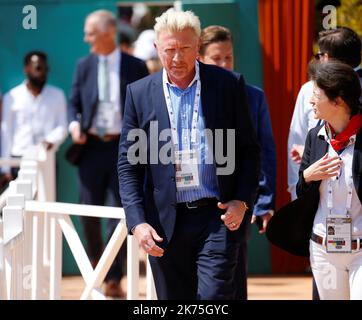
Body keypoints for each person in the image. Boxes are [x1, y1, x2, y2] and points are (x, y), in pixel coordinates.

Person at [118, 9, 260, 300]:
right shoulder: (139, 93)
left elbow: (248, 150)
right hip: (164, 223)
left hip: (216, 217)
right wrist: (137, 221)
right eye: (170, 49)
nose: (177, 57)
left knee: (213, 298)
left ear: (198, 46)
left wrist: (242, 200)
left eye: (185, 48)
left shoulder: (228, 85)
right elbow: (129, 165)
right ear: (158, 49)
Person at [68, 9, 148, 298]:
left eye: (90, 32)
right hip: (90, 149)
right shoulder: (83, 65)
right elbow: (73, 102)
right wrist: (74, 123)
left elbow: (143, 108)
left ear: (107, 33)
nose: (86, 38)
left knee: (120, 215)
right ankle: (97, 268)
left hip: (122, 149)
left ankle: (114, 277)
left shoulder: (135, 66)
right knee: (88, 213)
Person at [198, 25, 276, 300]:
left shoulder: (252, 95)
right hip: (193, 201)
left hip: (238, 202)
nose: (223, 64)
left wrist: (263, 203)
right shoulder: (190, 95)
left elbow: (263, 151)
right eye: (216, 58)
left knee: (233, 278)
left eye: (228, 57)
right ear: (200, 58)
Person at [298, 61, 362, 299]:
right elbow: (301, 190)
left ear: (338, 101)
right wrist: (307, 176)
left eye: (316, 94)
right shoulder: (315, 136)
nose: (310, 100)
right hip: (323, 249)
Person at [288, 27, 362, 201]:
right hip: (319, 202)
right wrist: (298, 190)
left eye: (320, 55)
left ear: (329, 59)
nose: (313, 101)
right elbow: (297, 142)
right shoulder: (309, 91)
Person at [1, 51, 67, 182]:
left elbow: (63, 126)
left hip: (46, 159)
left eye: (44, 68)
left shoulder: (57, 95)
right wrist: (5, 168)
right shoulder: (12, 97)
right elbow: (6, 131)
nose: (41, 73)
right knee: (20, 200)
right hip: (18, 160)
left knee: (47, 202)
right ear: (26, 69)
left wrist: (50, 141)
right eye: (37, 68)